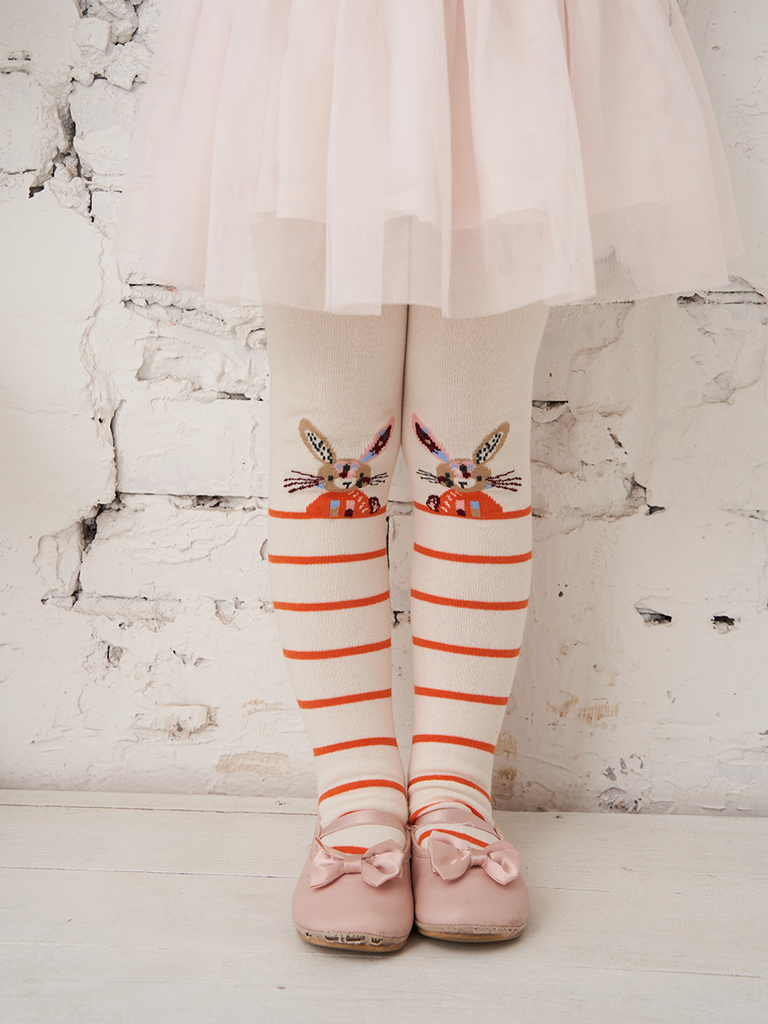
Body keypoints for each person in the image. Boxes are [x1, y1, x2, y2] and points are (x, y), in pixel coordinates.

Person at [114, 0, 744, 952]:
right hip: (319, 28)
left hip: (513, 28)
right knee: (330, 434)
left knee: (477, 432)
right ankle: (356, 792)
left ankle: (453, 788)